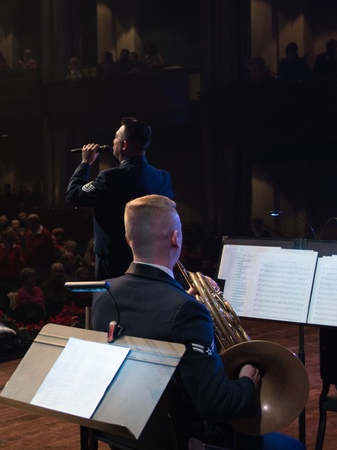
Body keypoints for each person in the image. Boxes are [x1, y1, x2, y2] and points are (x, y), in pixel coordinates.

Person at [91, 195, 262, 449]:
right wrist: (248, 379)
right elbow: (215, 404)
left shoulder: (104, 296)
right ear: (176, 239)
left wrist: (183, 301)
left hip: (125, 438)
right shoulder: (187, 311)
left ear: (129, 240)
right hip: (182, 440)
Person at [66, 117, 174, 278]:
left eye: (116, 137)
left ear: (124, 144)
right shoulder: (163, 178)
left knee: (112, 302)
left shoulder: (110, 177)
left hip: (114, 264)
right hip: (151, 261)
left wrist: (85, 163)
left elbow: (73, 195)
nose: (113, 141)